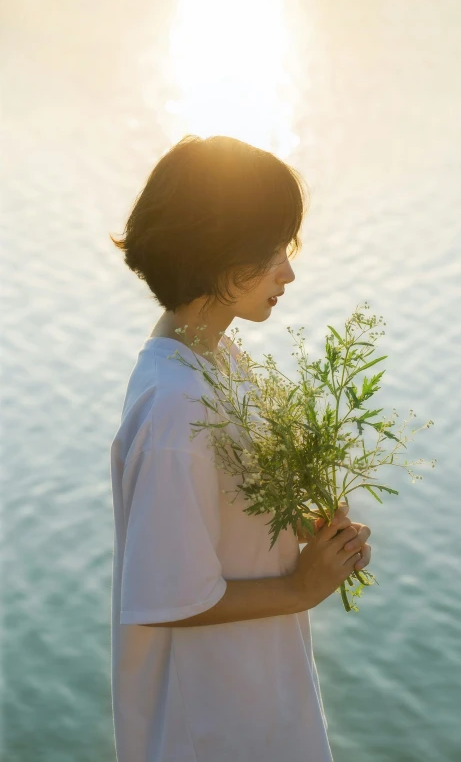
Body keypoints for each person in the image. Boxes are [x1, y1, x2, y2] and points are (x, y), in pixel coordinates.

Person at [109, 134, 372, 762]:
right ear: (217, 253)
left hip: (260, 692)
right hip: (208, 723)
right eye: (272, 249)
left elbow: (215, 522)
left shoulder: (216, 357)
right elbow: (169, 595)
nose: (289, 271)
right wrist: (301, 589)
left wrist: (305, 532)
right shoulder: (175, 408)